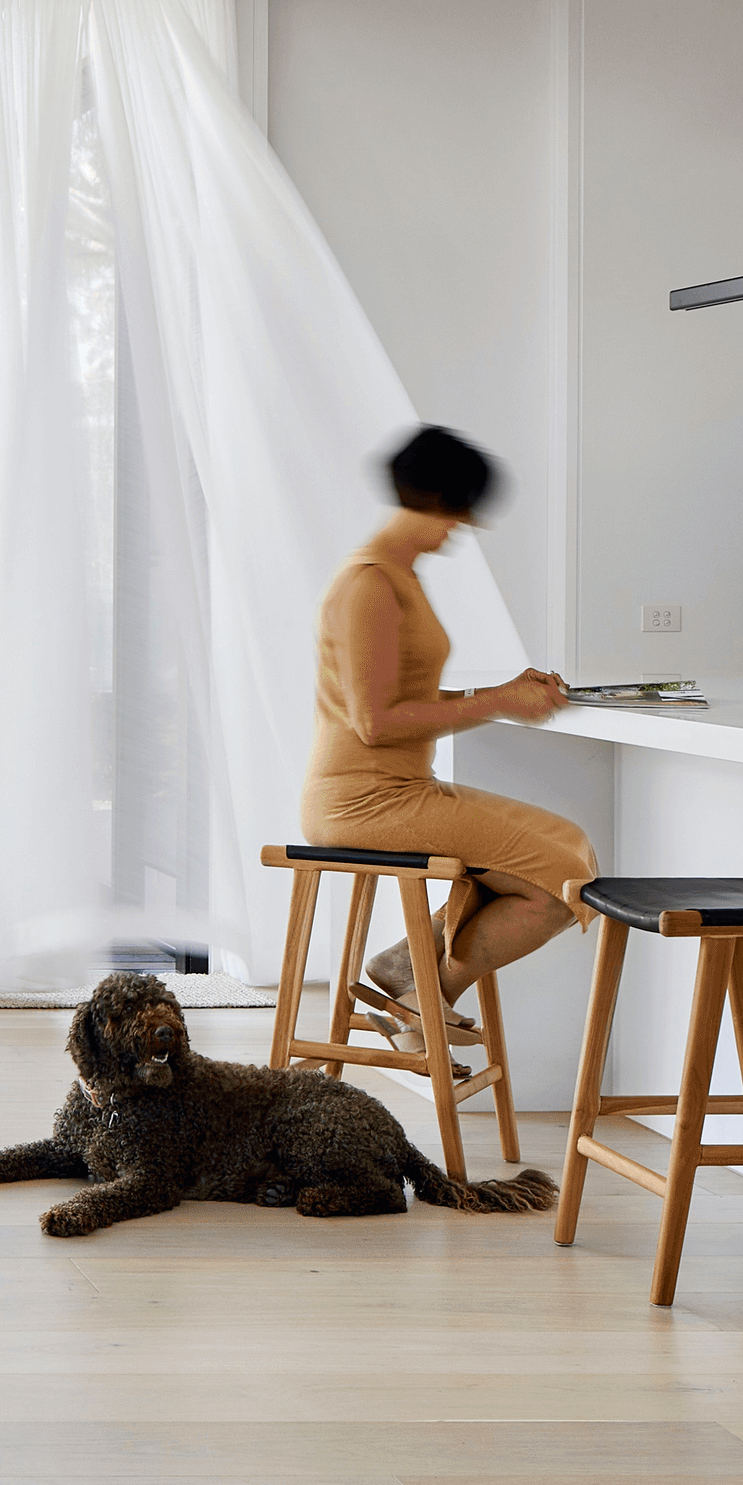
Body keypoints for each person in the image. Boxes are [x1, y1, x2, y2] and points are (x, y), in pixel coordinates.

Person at [303, 425, 595, 1044]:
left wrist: (508, 694)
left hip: (404, 787)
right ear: (436, 499)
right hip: (363, 800)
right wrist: (499, 701)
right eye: (459, 514)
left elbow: (406, 697)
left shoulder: (399, 577)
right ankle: (425, 998)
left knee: (572, 846)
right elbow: (375, 722)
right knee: (566, 882)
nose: (462, 529)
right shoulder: (370, 585)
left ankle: (405, 966)